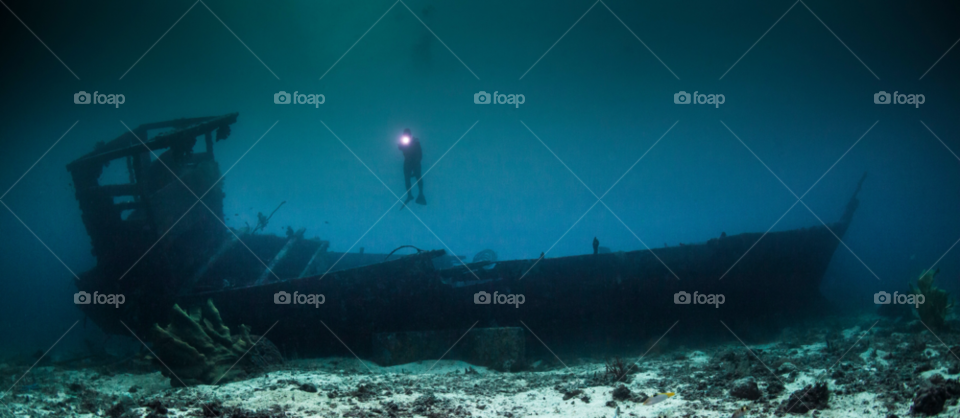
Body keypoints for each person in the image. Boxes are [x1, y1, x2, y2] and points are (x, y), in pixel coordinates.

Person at [398, 128, 426, 205]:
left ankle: (420, 193)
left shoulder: (415, 141)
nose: (406, 136)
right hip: (407, 162)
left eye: (408, 134)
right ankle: (409, 195)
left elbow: (419, 153)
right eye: (405, 135)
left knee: (418, 177)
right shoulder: (404, 142)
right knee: (407, 178)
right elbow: (400, 148)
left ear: (410, 135)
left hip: (416, 162)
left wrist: (416, 162)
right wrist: (401, 143)